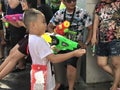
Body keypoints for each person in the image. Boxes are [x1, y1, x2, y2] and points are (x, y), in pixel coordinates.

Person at [23, 8, 86, 90]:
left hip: (36, 71)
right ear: (33, 25)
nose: (46, 25)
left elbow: (42, 53)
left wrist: (52, 49)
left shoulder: (32, 37)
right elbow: (54, 59)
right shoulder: (40, 40)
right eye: (43, 22)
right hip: (42, 74)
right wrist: (74, 53)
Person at [48, 0, 93, 90]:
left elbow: (90, 29)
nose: (72, 3)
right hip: (61, 44)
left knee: (71, 65)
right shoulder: (59, 13)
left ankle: (71, 88)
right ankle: (58, 84)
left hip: (75, 45)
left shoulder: (82, 13)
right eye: (69, 1)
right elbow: (49, 26)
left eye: (74, 0)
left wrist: (86, 43)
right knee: (56, 64)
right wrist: (56, 37)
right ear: (63, 2)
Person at [91, 0, 120, 90]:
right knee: (101, 63)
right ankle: (118, 80)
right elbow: (96, 21)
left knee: (116, 64)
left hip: (116, 38)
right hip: (102, 39)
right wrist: (94, 36)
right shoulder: (99, 5)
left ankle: (114, 86)